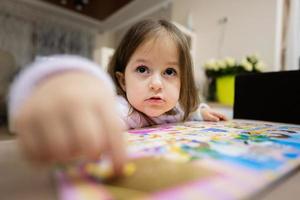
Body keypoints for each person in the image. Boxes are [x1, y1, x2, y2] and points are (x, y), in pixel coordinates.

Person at [8, 19, 226, 174]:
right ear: (123, 81)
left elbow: (190, 109)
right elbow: (93, 116)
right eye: (142, 69)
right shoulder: (122, 109)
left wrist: (202, 111)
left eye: (170, 72)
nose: (157, 84)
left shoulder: (176, 108)